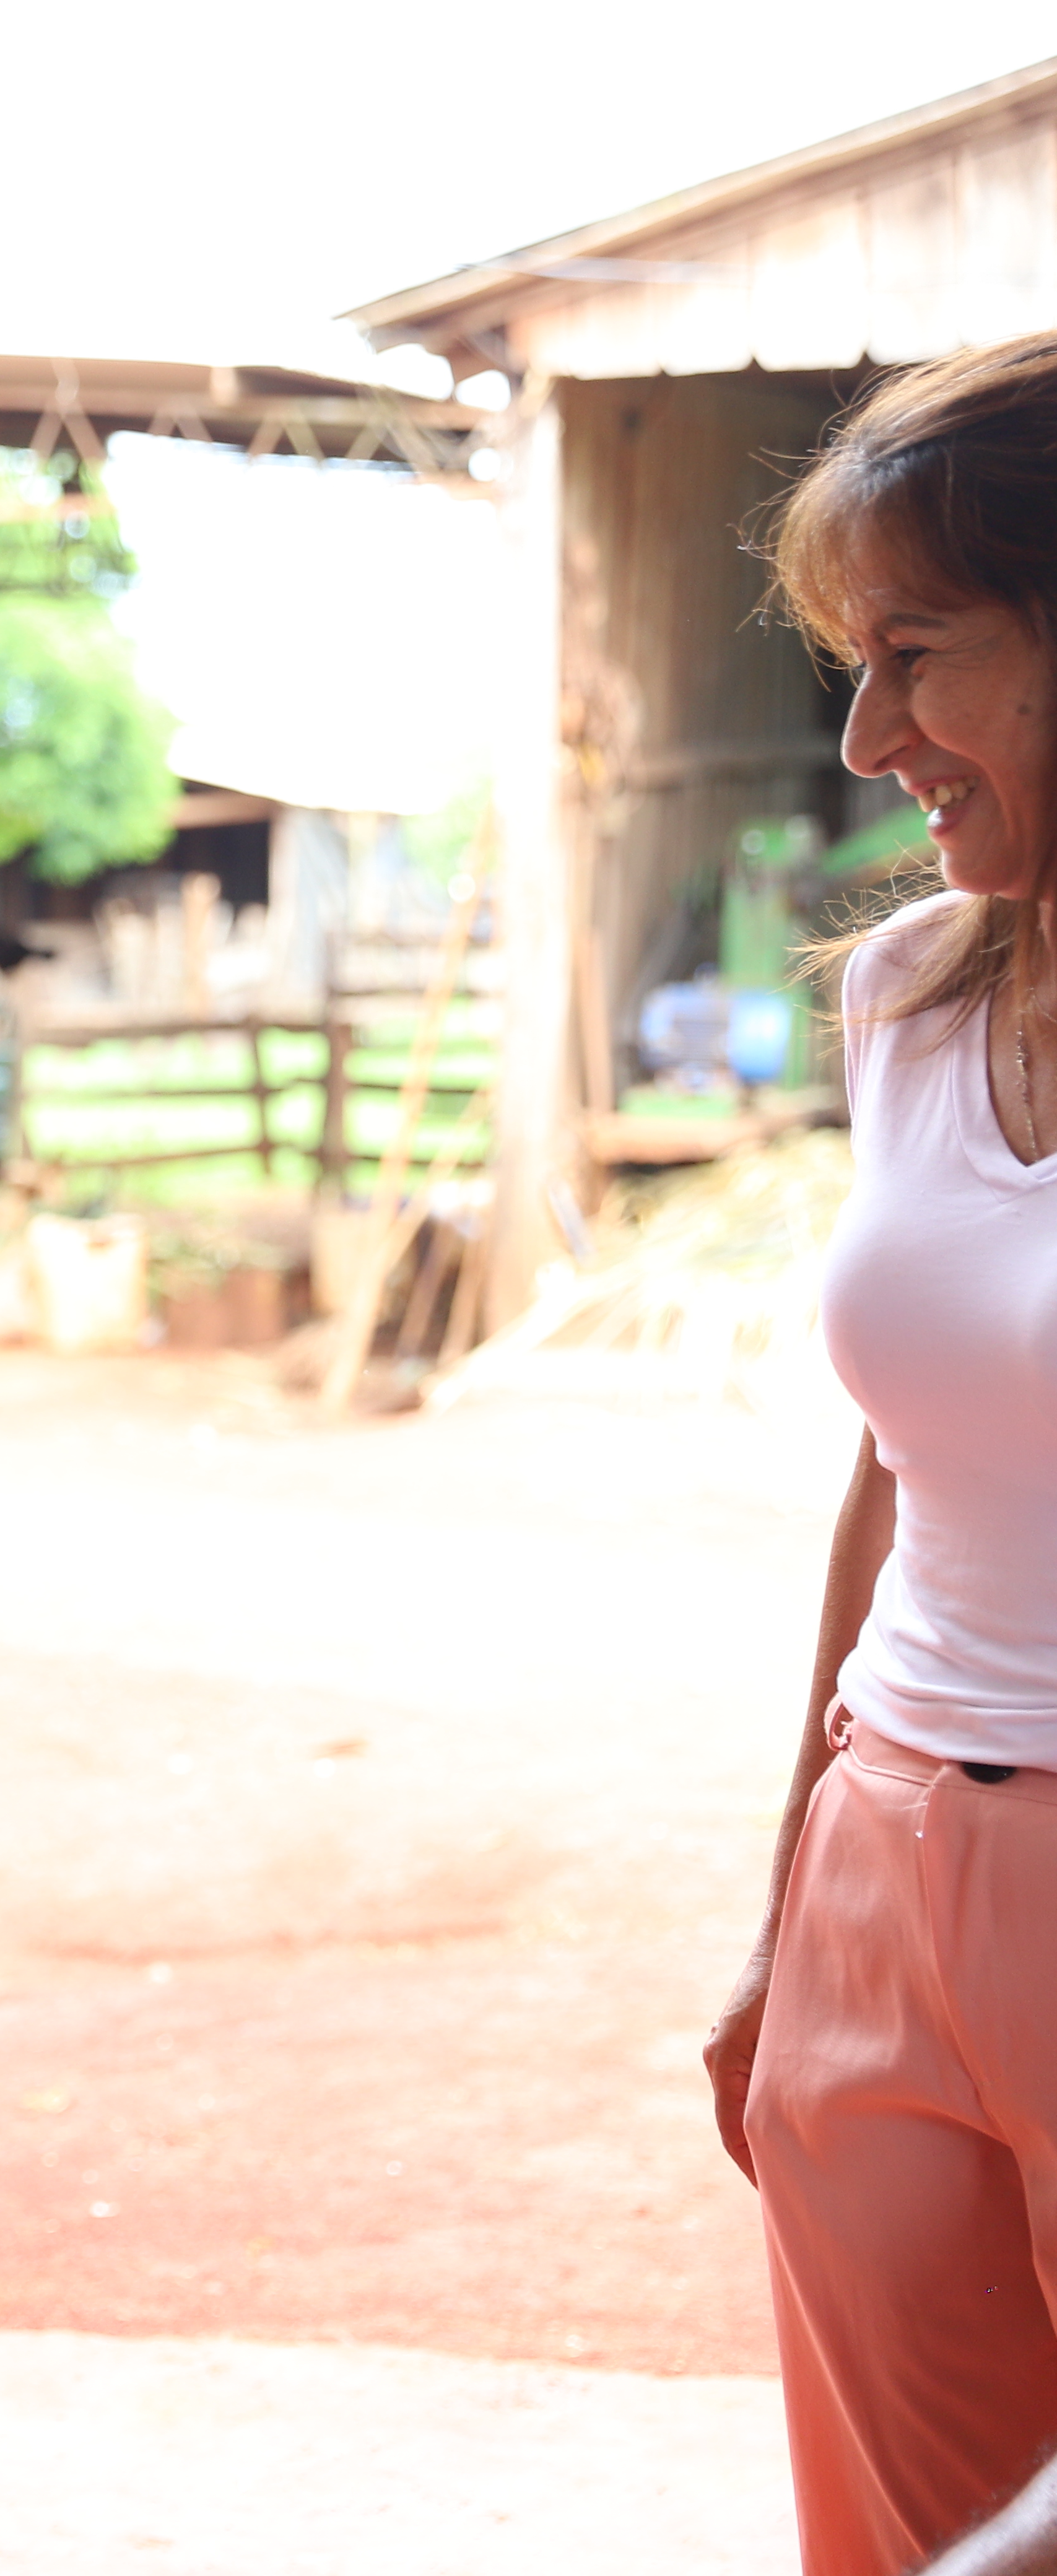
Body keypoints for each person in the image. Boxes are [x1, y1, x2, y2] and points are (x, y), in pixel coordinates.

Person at [702, 332, 1057, 2576]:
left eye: (915, 653)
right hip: (887, 1859)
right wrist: (789, 1908)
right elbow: (897, 1468)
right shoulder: (905, 998)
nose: (866, 741)